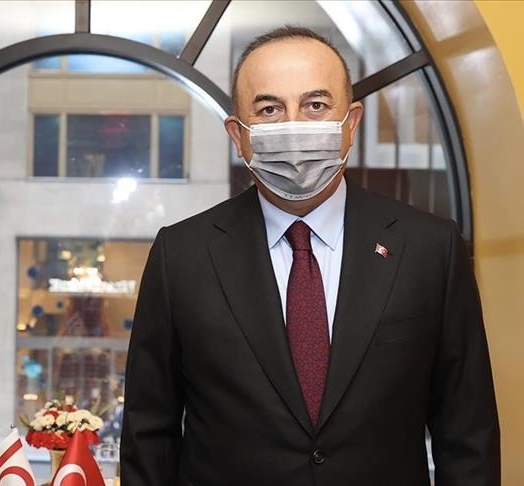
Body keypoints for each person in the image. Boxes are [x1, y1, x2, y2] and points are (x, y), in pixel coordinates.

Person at [120, 26, 499, 485]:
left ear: (351, 123)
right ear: (238, 135)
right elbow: (149, 434)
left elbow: (467, 435)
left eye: (315, 105)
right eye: (269, 109)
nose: (294, 126)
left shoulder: (430, 248)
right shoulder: (180, 255)